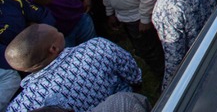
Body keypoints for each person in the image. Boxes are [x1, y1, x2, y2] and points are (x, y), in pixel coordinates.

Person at [4, 24, 142, 112]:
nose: (61, 33)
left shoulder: (20, 106)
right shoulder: (97, 47)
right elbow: (134, 76)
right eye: (57, 32)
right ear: (53, 49)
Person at [0, 0, 55, 110]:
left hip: (52, 54)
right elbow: (9, 60)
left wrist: (40, 34)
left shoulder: (10, 0)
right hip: (24, 84)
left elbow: (45, 15)